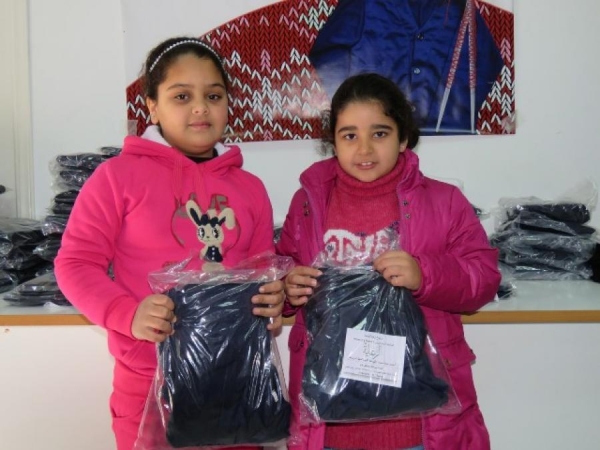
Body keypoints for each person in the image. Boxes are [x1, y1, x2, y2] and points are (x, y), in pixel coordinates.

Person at [54, 37, 285, 450]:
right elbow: (74, 264)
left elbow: (261, 274)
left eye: (213, 96)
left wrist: (273, 298)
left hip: (235, 381)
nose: (200, 108)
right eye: (182, 96)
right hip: (149, 383)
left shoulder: (250, 188)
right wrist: (127, 314)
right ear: (152, 106)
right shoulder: (116, 177)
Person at [276, 73, 501, 450]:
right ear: (333, 142)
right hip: (331, 421)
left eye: (379, 133)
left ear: (403, 138)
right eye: (349, 135)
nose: (364, 149)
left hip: (420, 423)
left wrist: (424, 274)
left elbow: (484, 279)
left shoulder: (444, 202)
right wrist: (287, 287)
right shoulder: (308, 202)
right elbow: (283, 270)